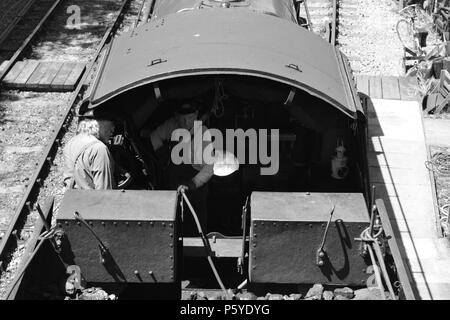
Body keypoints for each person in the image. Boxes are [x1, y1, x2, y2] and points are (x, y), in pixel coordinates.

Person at [141, 101, 214, 235]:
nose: (186, 123)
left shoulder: (203, 133)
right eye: (182, 119)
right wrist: (162, 153)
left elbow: (209, 168)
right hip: (172, 188)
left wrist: (193, 183)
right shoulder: (171, 125)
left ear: (196, 114)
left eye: (190, 118)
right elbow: (154, 137)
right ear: (176, 117)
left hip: (195, 191)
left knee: (195, 232)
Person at [63, 111, 117, 190]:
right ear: (98, 124)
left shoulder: (71, 143)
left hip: (74, 199)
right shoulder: (99, 149)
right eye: (111, 125)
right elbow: (105, 191)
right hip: (93, 200)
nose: (113, 130)